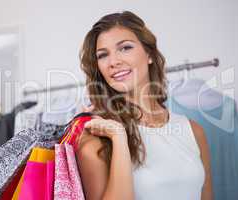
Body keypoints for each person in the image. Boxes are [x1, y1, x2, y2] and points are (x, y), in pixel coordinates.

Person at [77, 11, 213, 200]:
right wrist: (118, 137)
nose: (114, 61)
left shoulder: (194, 131)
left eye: (125, 48)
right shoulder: (96, 140)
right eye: (102, 55)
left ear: (149, 53)